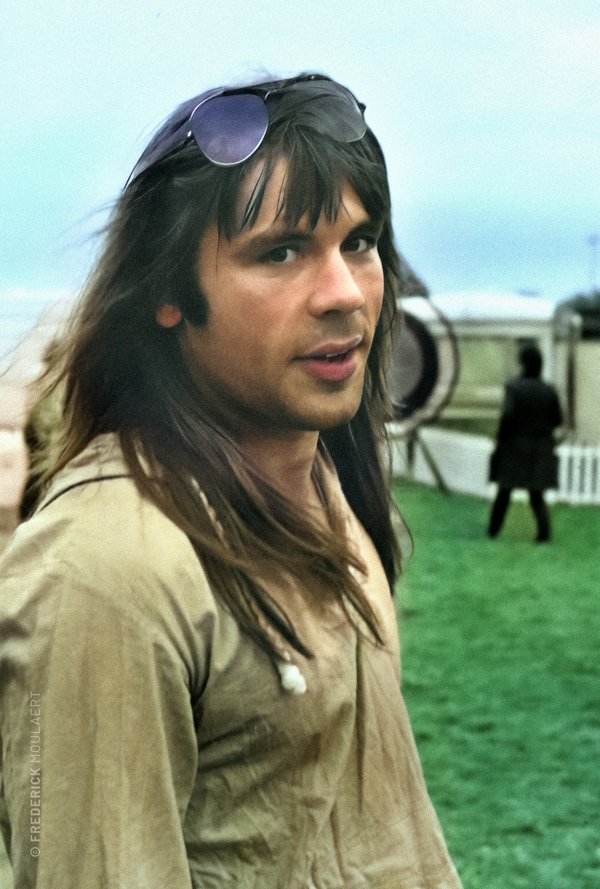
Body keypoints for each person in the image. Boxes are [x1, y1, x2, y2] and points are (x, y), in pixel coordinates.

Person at [0, 72, 462, 888]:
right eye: (280, 252)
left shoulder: (327, 478)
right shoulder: (110, 567)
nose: (345, 293)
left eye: (360, 243)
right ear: (170, 293)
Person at [488, 344, 563, 542]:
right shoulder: (549, 390)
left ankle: (493, 531)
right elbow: (557, 420)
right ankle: (543, 534)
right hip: (541, 447)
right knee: (536, 494)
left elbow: (508, 417)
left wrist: (500, 438)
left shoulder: (514, 388)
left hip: (515, 447)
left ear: (524, 364)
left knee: (504, 492)